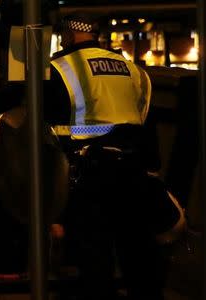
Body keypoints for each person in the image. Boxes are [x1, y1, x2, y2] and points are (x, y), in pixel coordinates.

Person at [44, 13, 166, 300]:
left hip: (89, 174)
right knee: (138, 253)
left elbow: (49, 131)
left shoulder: (60, 68)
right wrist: (153, 173)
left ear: (69, 35)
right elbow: (147, 126)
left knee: (94, 256)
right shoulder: (133, 70)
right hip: (135, 172)